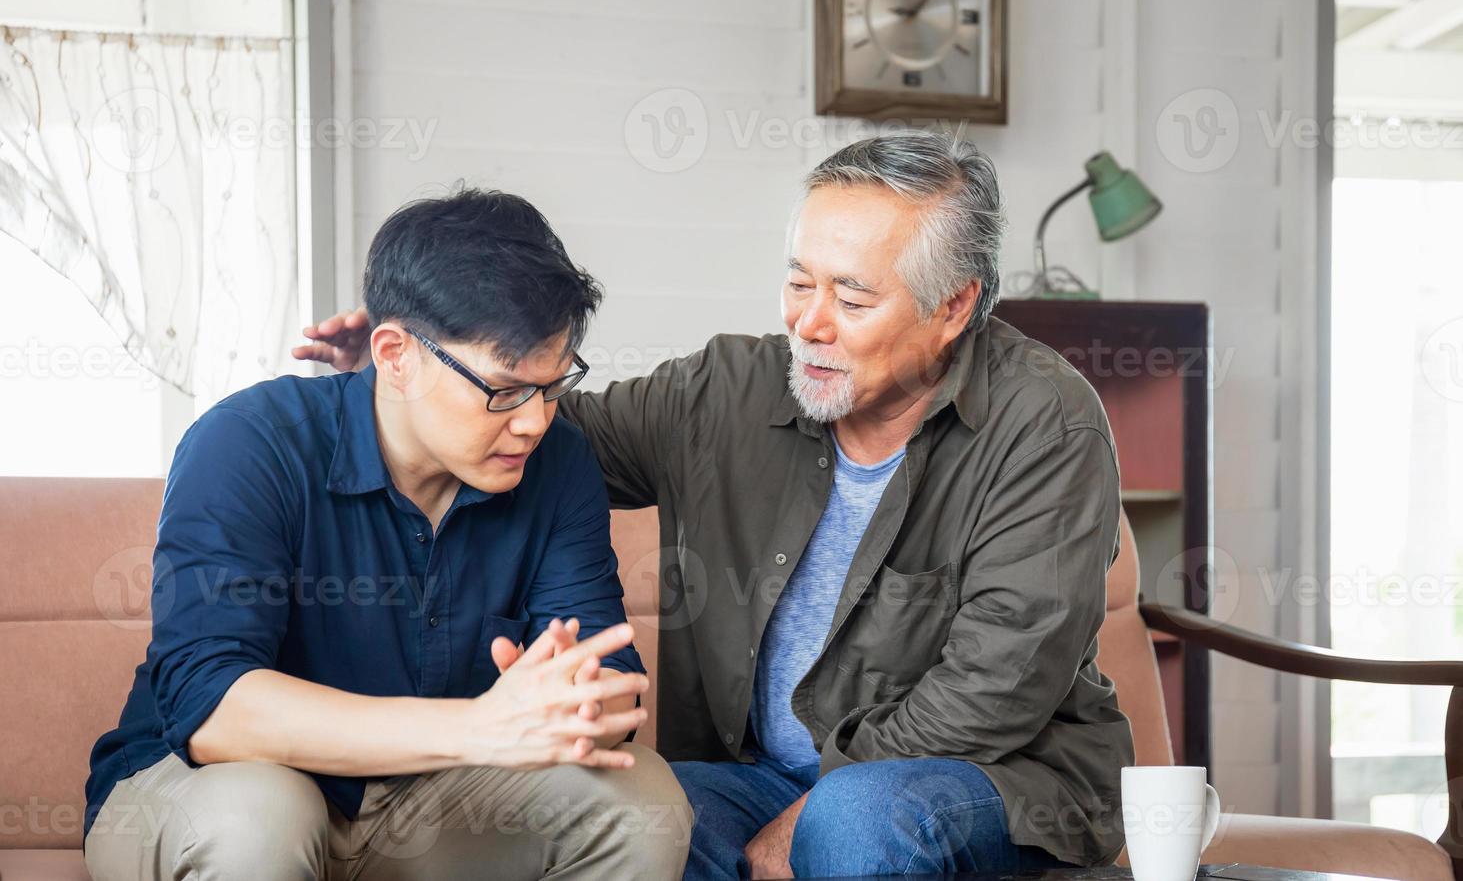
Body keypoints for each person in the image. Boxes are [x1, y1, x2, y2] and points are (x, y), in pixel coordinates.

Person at [297, 134, 1134, 879]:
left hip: (990, 780)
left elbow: (998, 684)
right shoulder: (725, 390)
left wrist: (804, 820)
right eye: (798, 281)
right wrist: (418, 384)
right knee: (640, 811)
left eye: (851, 299)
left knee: (854, 823)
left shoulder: (1044, 422)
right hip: (754, 773)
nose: (809, 323)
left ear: (953, 305)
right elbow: (547, 431)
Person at [85, 188, 692, 881]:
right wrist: (481, 726)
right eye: (503, 391)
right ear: (396, 354)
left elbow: (610, 689)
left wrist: (583, 704)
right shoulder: (248, 442)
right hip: (208, 787)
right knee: (263, 813)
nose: (533, 422)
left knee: (640, 797)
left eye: (551, 388)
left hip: (426, 799)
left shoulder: (559, 465)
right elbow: (211, 707)